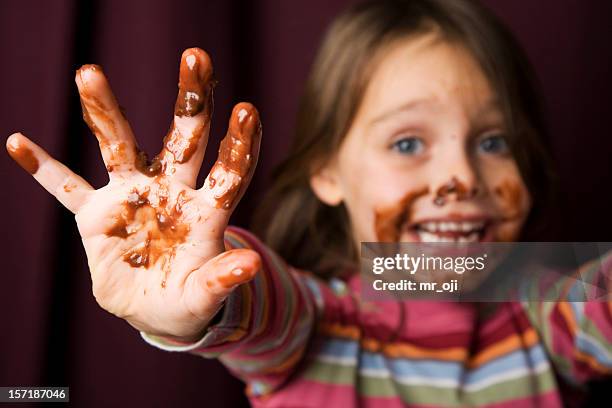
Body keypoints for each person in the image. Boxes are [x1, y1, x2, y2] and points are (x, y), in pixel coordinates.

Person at [6, 0, 611, 406]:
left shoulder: (548, 314)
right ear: (326, 172)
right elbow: (262, 302)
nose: (461, 175)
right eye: (407, 142)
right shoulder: (315, 326)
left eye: (493, 140)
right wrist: (194, 280)